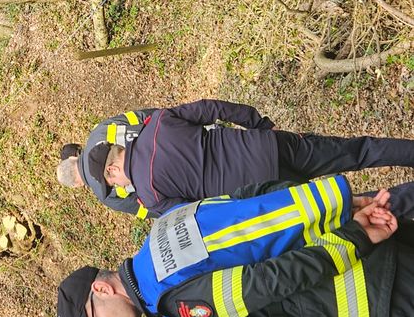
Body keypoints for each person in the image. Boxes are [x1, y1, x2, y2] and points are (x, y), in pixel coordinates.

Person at [57, 179, 414, 317]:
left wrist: (355, 237)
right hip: (358, 240)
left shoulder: (171, 301)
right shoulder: (162, 230)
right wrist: (340, 208)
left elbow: (274, 281)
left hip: (367, 288)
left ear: (102, 290)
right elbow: (252, 197)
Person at [56, 99, 414, 218]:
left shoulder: (149, 197)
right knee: (359, 151)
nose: (117, 187)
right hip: (267, 147)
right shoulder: (159, 121)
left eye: (112, 181)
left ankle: (402, 201)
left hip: (265, 193)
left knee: (345, 207)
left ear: (114, 167)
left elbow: (203, 214)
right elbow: (215, 108)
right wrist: (261, 125)